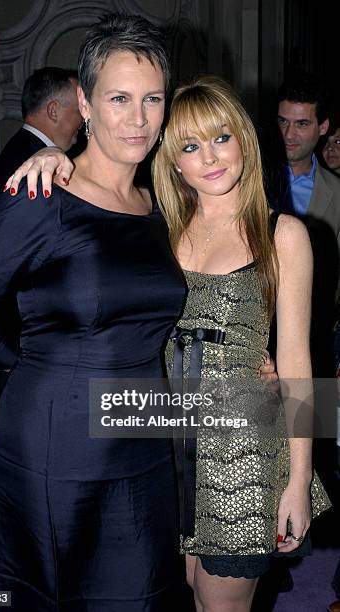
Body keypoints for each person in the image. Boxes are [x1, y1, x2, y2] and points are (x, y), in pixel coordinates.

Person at [0, 15, 186, 611]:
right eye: (118, 98)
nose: (137, 119)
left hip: (143, 435)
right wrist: (37, 372)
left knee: (146, 594)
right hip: (56, 448)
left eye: (152, 99)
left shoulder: (156, 205)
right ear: (84, 100)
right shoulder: (40, 196)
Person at [151, 75, 330, 612]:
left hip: (242, 455)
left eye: (221, 137)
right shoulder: (156, 231)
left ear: (244, 140)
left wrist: (298, 481)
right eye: (189, 144)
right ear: (173, 160)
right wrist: (53, 162)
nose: (209, 156)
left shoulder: (284, 236)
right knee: (186, 595)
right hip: (164, 445)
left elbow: (297, 362)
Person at [0, 67, 82, 210]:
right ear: (53, 111)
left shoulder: (20, 149)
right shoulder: (32, 164)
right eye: (80, 110)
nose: (85, 119)